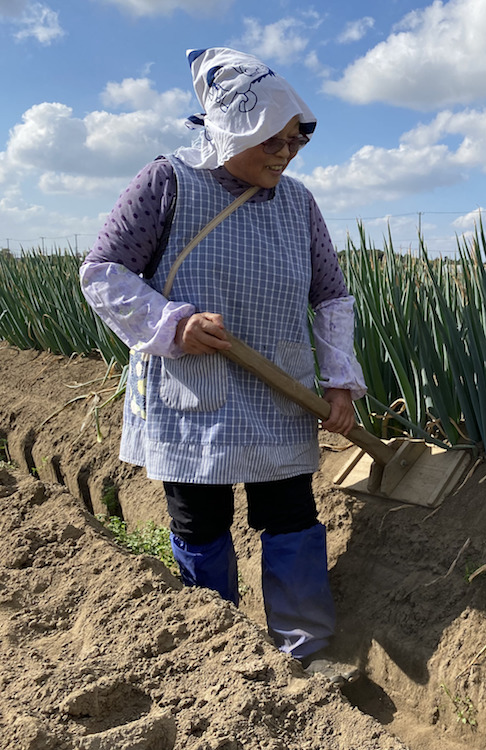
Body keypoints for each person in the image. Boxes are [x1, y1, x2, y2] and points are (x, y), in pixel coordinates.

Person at [79, 47, 366, 685]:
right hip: (193, 389)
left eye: (296, 141)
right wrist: (172, 323)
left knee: (290, 512)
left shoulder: (299, 204)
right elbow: (102, 274)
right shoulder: (166, 183)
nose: (287, 153)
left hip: (280, 389)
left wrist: (341, 380)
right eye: (275, 140)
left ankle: (307, 651)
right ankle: (221, 654)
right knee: (200, 520)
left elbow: (332, 297)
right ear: (235, 127)